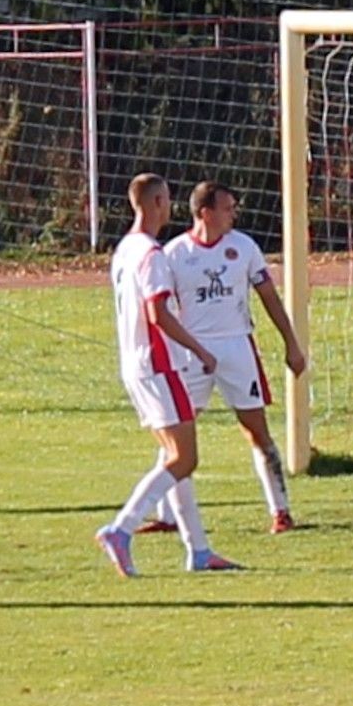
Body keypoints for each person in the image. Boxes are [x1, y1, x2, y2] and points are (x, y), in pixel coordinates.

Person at [92, 173, 241, 576]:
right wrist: (199, 349)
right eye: (168, 200)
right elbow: (157, 314)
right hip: (159, 364)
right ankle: (120, 529)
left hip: (135, 364)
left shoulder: (124, 250)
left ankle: (199, 550)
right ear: (158, 202)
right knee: (184, 457)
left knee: (171, 454)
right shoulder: (152, 255)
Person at [138, 181, 307, 535]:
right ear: (205, 213)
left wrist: (291, 343)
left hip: (236, 349)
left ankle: (281, 510)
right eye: (227, 208)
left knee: (256, 431)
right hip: (190, 353)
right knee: (176, 433)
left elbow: (268, 297)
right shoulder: (174, 254)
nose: (233, 214)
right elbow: (160, 309)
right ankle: (168, 517)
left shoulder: (243, 248)